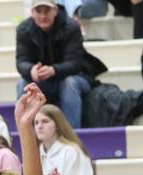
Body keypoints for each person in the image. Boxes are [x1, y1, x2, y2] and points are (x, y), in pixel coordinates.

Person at [15, 0, 103, 129]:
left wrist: (54, 70)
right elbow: (21, 61)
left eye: (47, 11)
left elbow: (75, 63)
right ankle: (25, 132)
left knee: (69, 83)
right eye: (39, 11)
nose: (43, 16)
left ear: (55, 11)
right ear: (32, 13)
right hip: (41, 80)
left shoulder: (71, 26)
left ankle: (71, 134)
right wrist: (31, 69)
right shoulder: (23, 29)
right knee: (22, 84)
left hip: (74, 77)